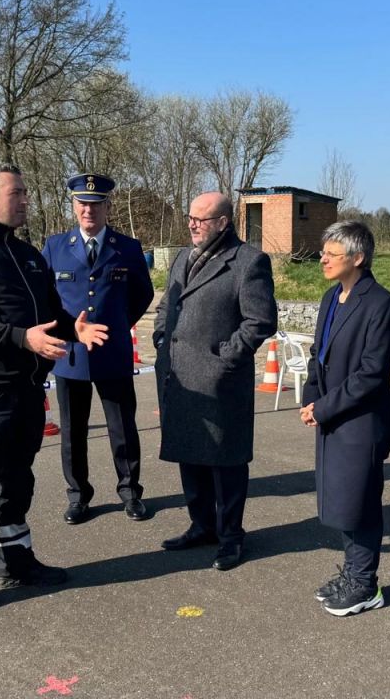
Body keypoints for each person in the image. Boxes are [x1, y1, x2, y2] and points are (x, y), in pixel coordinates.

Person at [0, 161, 109, 626]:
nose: (27, 199)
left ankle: (15, 561)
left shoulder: (29, 254)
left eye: (27, 192)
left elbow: (51, 312)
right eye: (18, 192)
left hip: (29, 389)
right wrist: (20, 339)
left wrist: (77, 328)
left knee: (19, 481)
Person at [153, 192, 277, 571]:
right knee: (190, 455)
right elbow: (165, 306)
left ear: (223, 223)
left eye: (201, 219)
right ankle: (201, 525)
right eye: (190, 217)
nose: (192, 224)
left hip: (219, 381)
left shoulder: (248, 261)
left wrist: (225, 357)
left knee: (226, 464)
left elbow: (260, 320)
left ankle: (230, 537)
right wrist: (162, 339)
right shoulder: (181, 258)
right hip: (179, 378)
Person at [42, 173, 154, 525]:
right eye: (82, 204)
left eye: (95, 204)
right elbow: (45, 298)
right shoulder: (55, 247)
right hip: (71, 355)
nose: (88, 210)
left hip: (112, 352)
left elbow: (143, 295)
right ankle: (78, 495)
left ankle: (130, 492)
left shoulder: (128, 248)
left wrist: (118, 325)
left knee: (122, 428)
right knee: (72, 432)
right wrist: (66, 331)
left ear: (107, 206)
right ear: (74, 206)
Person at [301, 221, 390, 617]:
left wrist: (324, 407)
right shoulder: (331, 297)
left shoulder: (380, 303)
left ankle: (365, 582)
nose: (322, 258)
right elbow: (317, 354)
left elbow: (371, 373)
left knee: (360, 500)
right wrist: (311, 398)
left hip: (360, 419)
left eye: (332, 253)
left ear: (358, 258)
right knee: (341, 499)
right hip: (331, 415)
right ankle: (353, 572)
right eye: (323, 251)